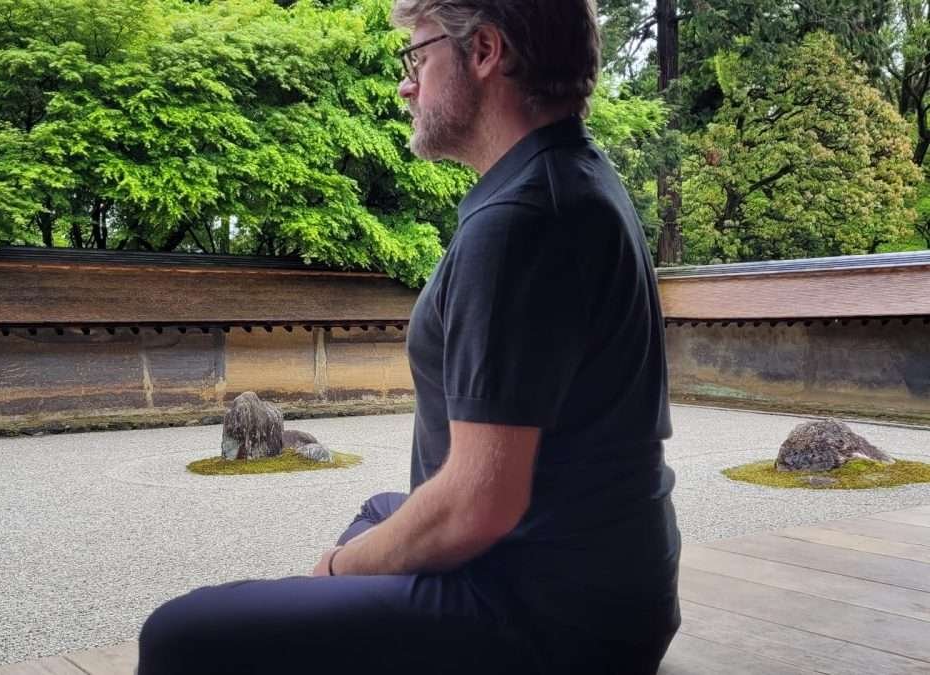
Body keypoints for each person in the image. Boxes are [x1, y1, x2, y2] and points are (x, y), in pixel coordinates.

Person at [138, 0, 681, 672]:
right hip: (616, 584)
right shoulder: (572, 174)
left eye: (417, 58)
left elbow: (477, 506)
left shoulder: (522, 219)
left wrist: (334, 572)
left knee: (177, 635)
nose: (406, 85)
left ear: (484, 52)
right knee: (379, 511)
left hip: (548, 613)